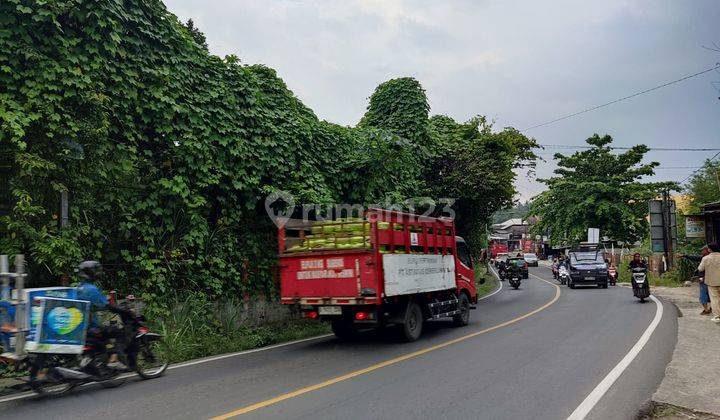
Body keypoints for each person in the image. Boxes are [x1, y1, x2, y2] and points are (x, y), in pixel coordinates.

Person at [76, 261, 133, 369]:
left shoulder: (79, 287)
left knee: (107, 333)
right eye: (95, 271)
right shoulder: (91, 289)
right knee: (119, 332)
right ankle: (113, 359)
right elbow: (107, 306)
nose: (98, 273)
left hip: (80, 326)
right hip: (91, 327)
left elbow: (93, 303)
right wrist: (122, 310)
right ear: (90, 273)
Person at [697, 244, 720, 323]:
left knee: (715, 299)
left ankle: (717, 316)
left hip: (712, 282)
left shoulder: (705, 258)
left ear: (709, 250)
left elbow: (700, 268)